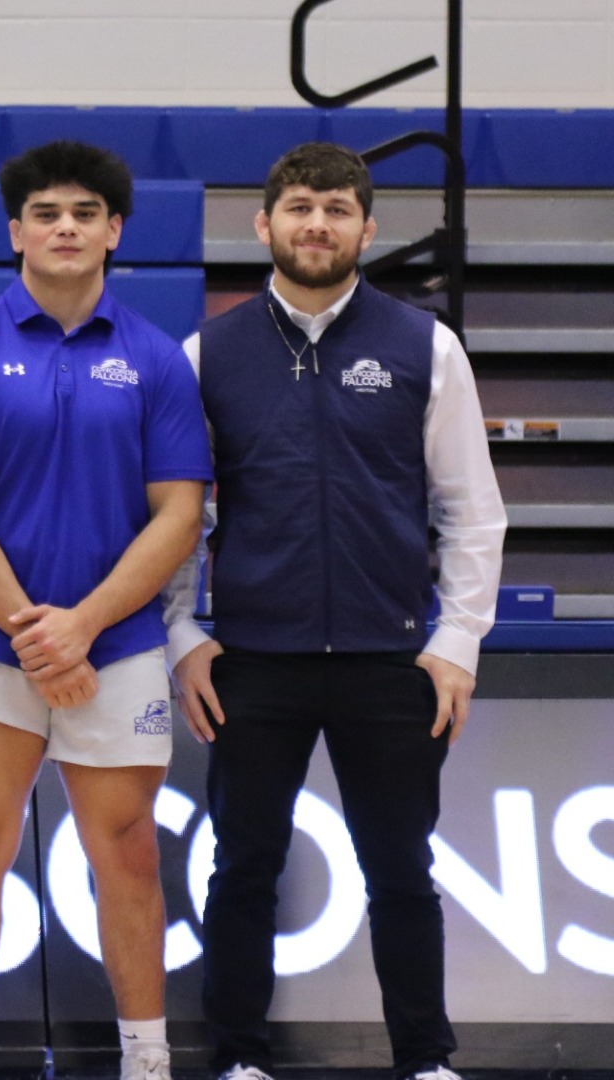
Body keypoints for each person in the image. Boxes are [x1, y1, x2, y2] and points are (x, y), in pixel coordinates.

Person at [166, 142, 506, 1080]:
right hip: (253, 662)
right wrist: (183, 635)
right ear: (263, 223)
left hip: (390, 660)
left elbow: (472, 507)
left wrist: (456, 643)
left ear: (367, 227)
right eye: (300, 207)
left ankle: (427, 1061)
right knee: (241, 871)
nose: (317, 224)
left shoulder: (423, 345)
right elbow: (172, 516)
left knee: (401, 873)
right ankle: (237, 1059)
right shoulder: (207, 354)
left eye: (337, 209)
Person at [0, 141, 211, 1080]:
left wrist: (80, 627)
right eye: (46, 214)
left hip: (114, 647)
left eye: (85, 212)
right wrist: (35, 635)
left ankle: (146, 1060)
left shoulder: (156, 359)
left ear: (115, 230)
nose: (66, 227)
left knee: (124, 855)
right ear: (16, 232)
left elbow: (180, 513)